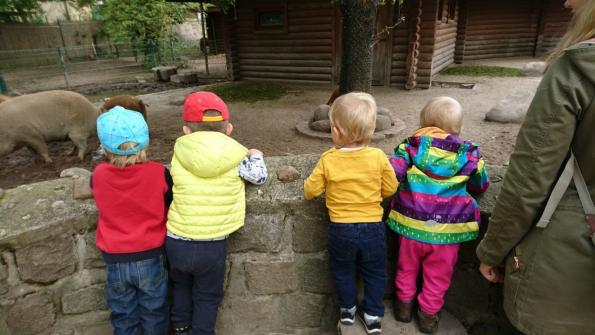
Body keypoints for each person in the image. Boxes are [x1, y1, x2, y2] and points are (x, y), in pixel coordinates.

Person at [476, 0, 595, 334]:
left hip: (566, 267)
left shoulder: (578, 67)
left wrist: (492, 250)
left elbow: (529, 178)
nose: (566, 2)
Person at [166, 91, 268, 335]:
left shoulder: (179, 152)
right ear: (229, 128)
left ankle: (180, 327)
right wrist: (256, 155)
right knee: (207, 295)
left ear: (186, 130)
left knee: (180, 285)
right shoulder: (236, 156)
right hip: (211, 244)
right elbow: (259, 177)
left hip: (176, 239)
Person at [387, 97, 489, 334]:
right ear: (457, 127)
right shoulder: (469, 153)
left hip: (411, 227)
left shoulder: (411, 146)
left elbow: (393, 172)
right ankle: (428, 317)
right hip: (448, 233)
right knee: (438, 276)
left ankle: (403, 309)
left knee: (405, 268)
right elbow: (480, 183)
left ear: (424, 121)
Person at [304, 92, 398, 334]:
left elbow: (310, 191)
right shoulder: (377, 157)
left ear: (335, 131)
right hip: (373, 227)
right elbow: (391, 188)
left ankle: (347, 310)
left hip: (341, 229)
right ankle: (373, 315)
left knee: (343, 269)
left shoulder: (328, 159)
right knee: (375, 271)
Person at [92, 106, 172, 335]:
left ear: (104, 148)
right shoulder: (158, 172)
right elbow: (169, 199)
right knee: (154, 311)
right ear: (145, 143)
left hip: (114, 258)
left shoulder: (98, 175)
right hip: (151, 254)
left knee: (123, 314)